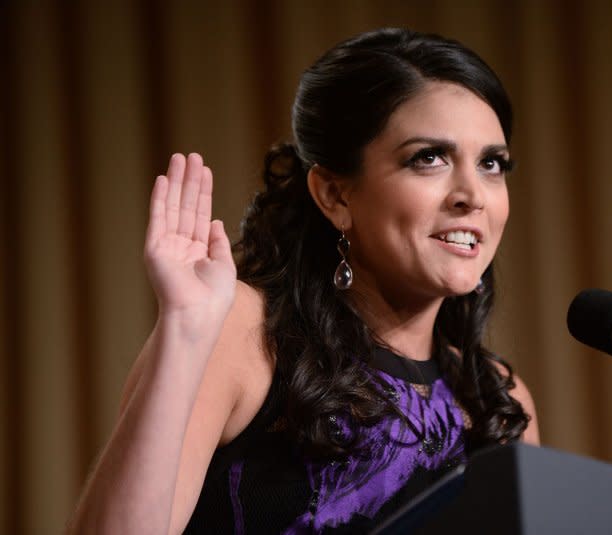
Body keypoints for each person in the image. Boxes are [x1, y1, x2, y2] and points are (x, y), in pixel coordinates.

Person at [67, 27, 539, 534]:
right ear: (335, 195)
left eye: (492, 163)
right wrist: (184, 328)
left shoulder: (499, 400)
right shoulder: (244, 335)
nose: (473, 194)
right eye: (428, 158)